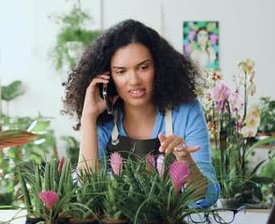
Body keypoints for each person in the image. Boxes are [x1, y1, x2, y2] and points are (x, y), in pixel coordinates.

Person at [62, 19, 219, 208]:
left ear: (158, 67)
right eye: (121, 71)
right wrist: (88, 117)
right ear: (108, 77)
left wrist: (186, 160)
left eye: (143, 67)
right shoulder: (104, 120)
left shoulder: (186, 111)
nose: (134, 80)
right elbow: (86, 189)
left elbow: (207, 194)